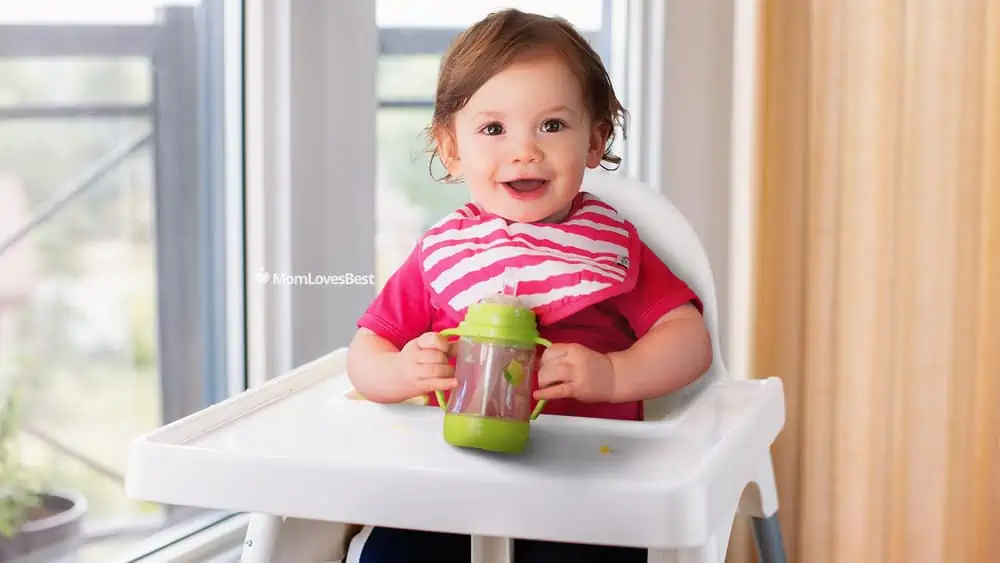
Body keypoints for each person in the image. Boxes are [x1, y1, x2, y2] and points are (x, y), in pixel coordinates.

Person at [345, 8, 712, 562]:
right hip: (452, 481)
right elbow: (365, 352)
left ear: (594, 140)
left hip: (585, 488)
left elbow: (689, 341)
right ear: (451, 148)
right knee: (391, 552)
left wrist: (615, 375)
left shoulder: (609, 246)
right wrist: (400, 371)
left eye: (553, 125)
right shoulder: (442, 255)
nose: (525, 150)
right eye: (494, 129)